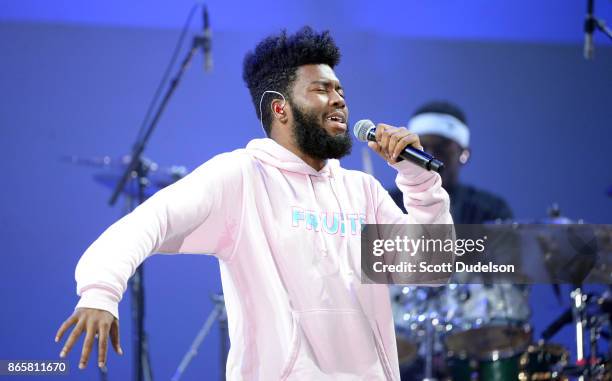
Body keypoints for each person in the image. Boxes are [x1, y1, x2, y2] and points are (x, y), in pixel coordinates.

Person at [55, 27, 452, 380]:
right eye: (321, 89)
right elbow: (143, 225)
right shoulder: (241, 177)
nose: (339, 101)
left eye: (340, 90)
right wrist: (100, 293)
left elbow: (432, 267)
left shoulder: (361, 190)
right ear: (280, 108)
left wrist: (418, 179)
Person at [390, 101, 512, 223]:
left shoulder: (491, 211)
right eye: (421, 148)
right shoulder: (387, 206)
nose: (429, 156)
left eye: (441, 147)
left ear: (464, 154)